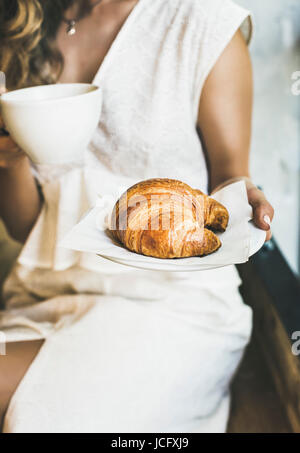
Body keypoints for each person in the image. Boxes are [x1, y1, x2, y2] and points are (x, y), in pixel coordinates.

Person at [0, 0, 274, 433]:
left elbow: (229, 179)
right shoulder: (26, 34)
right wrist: (10, 158)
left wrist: (243, 198)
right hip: (45, 300)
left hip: (174, 307)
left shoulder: (201, 24)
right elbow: (24, 228)